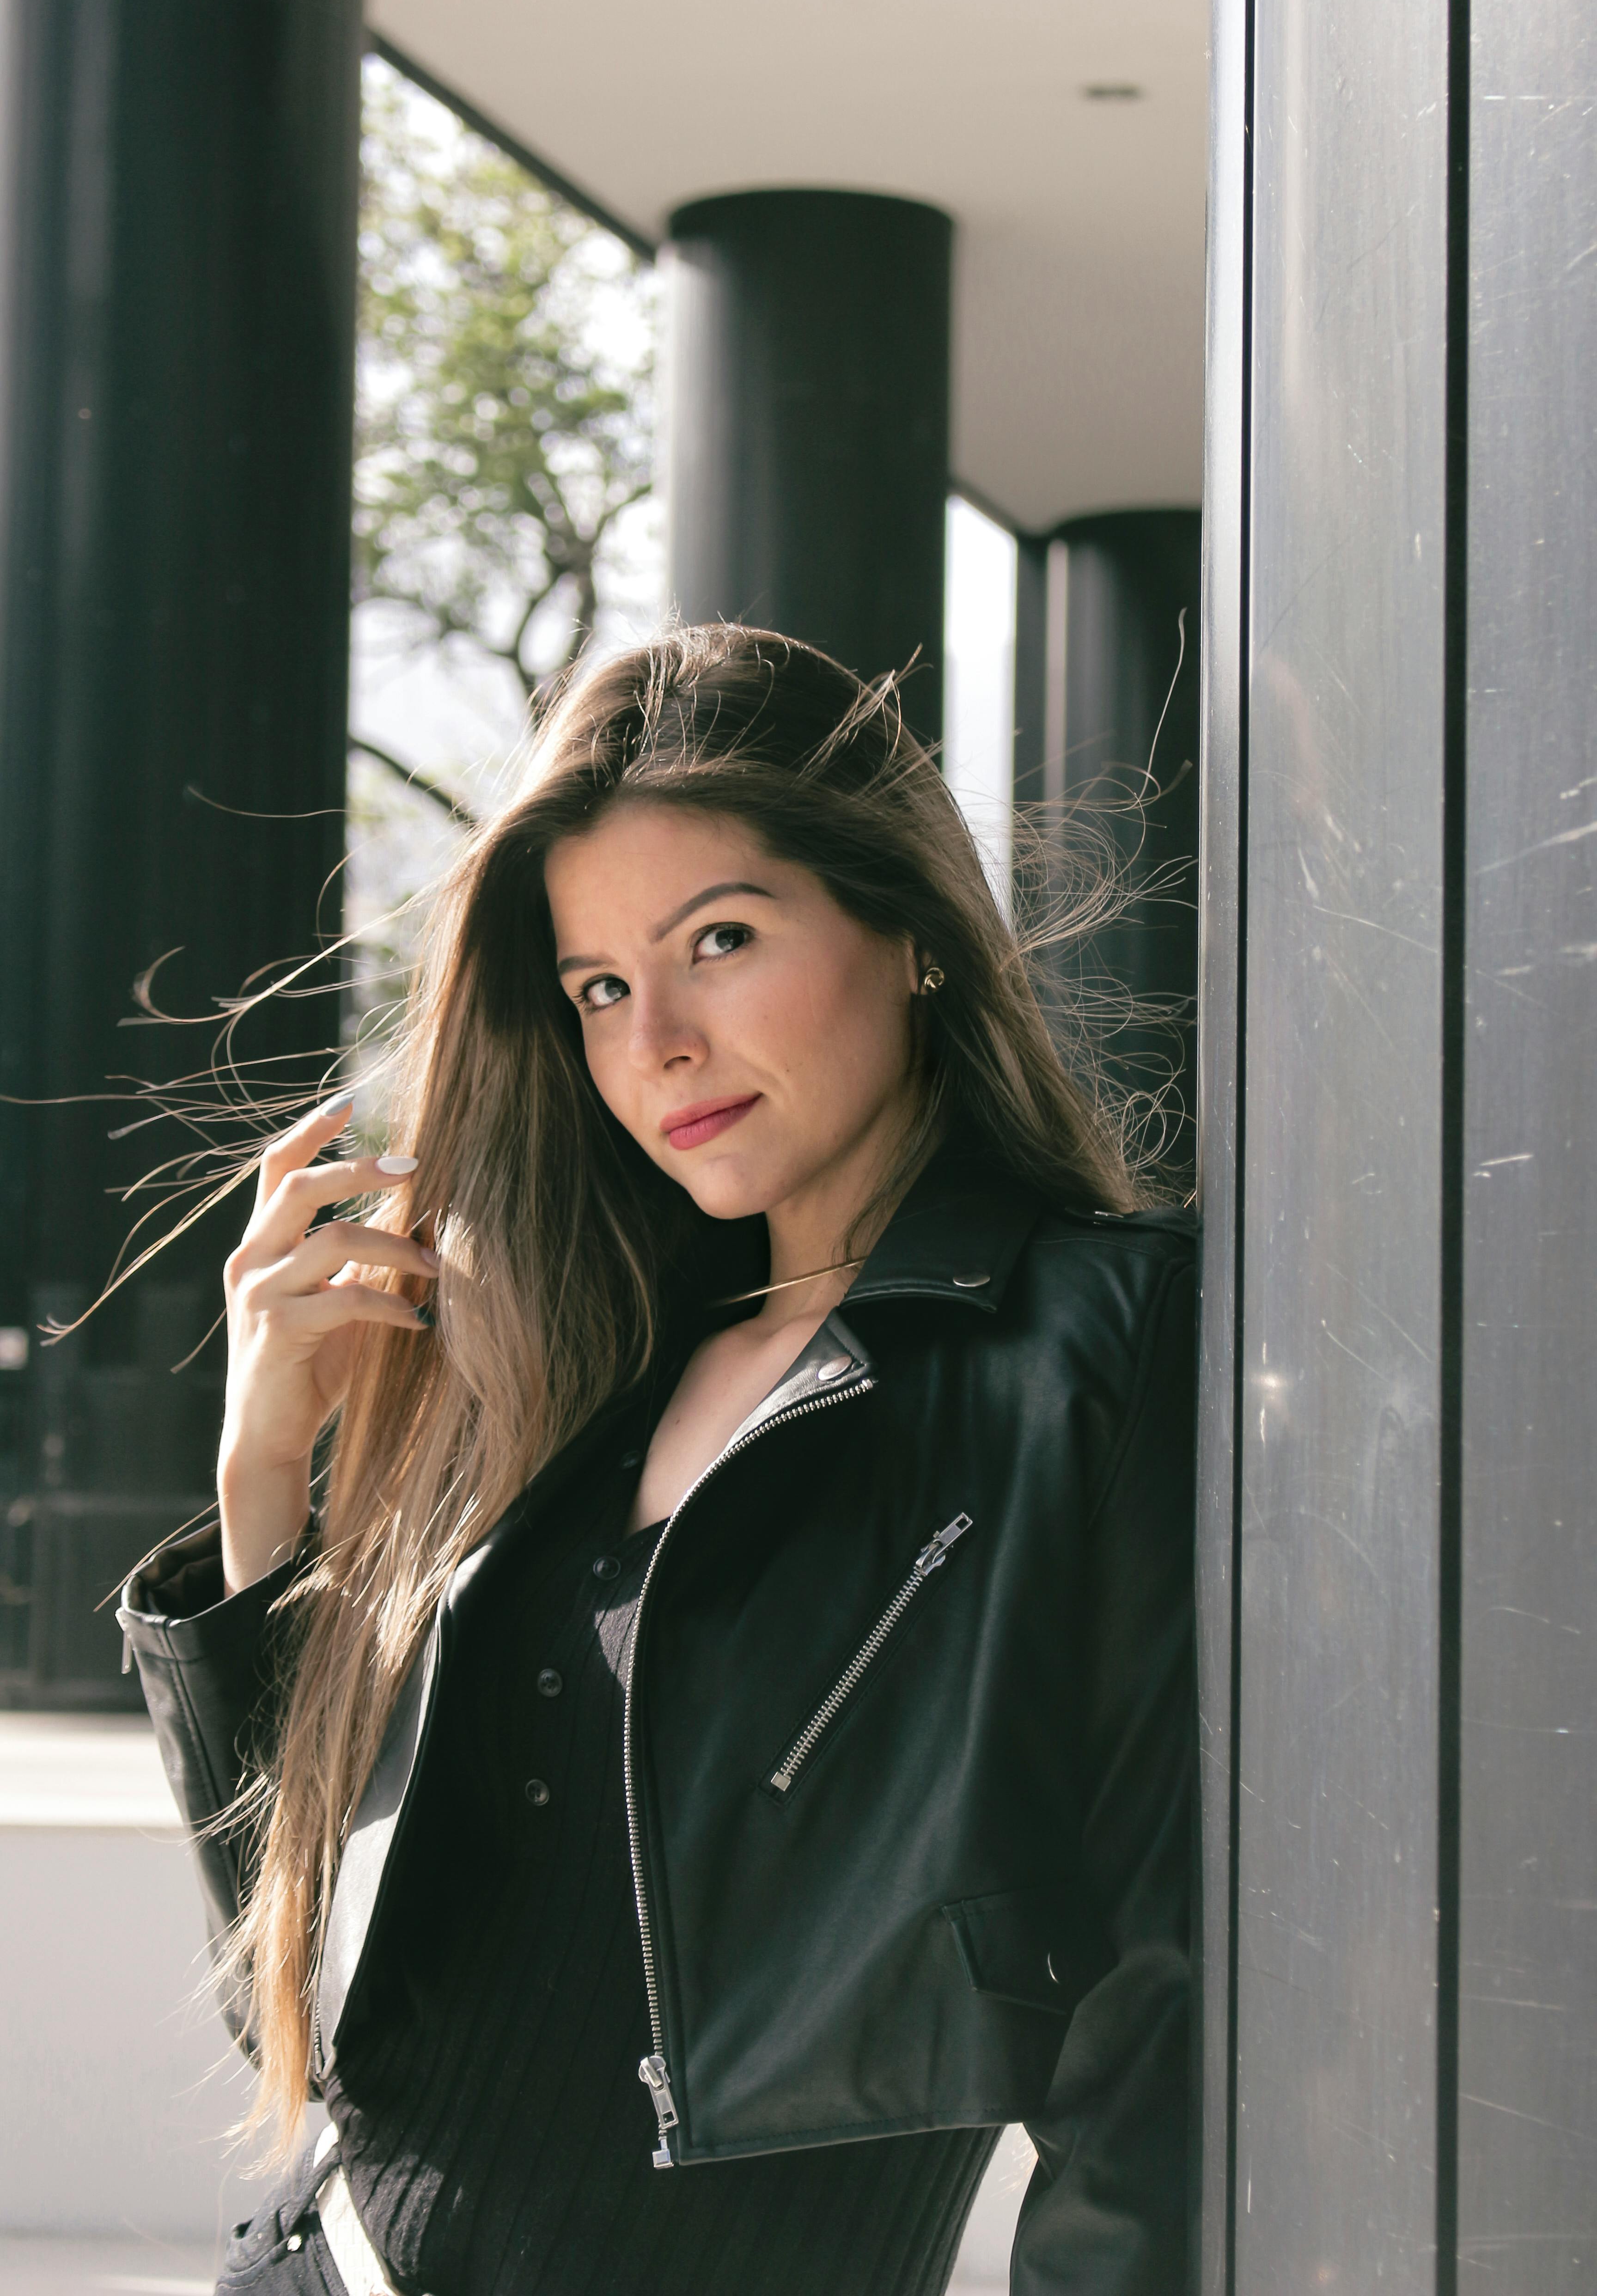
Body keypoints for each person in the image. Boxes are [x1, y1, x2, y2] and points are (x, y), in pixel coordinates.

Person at [121, 625, 1196, 2296]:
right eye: (601, 989)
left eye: (722, 940)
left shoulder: (1098, 1349)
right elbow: (308, 1994)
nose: (658, 1042)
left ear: (910, 929)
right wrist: (264, 1479)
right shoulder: (589, 1358)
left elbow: (1158, 2029)